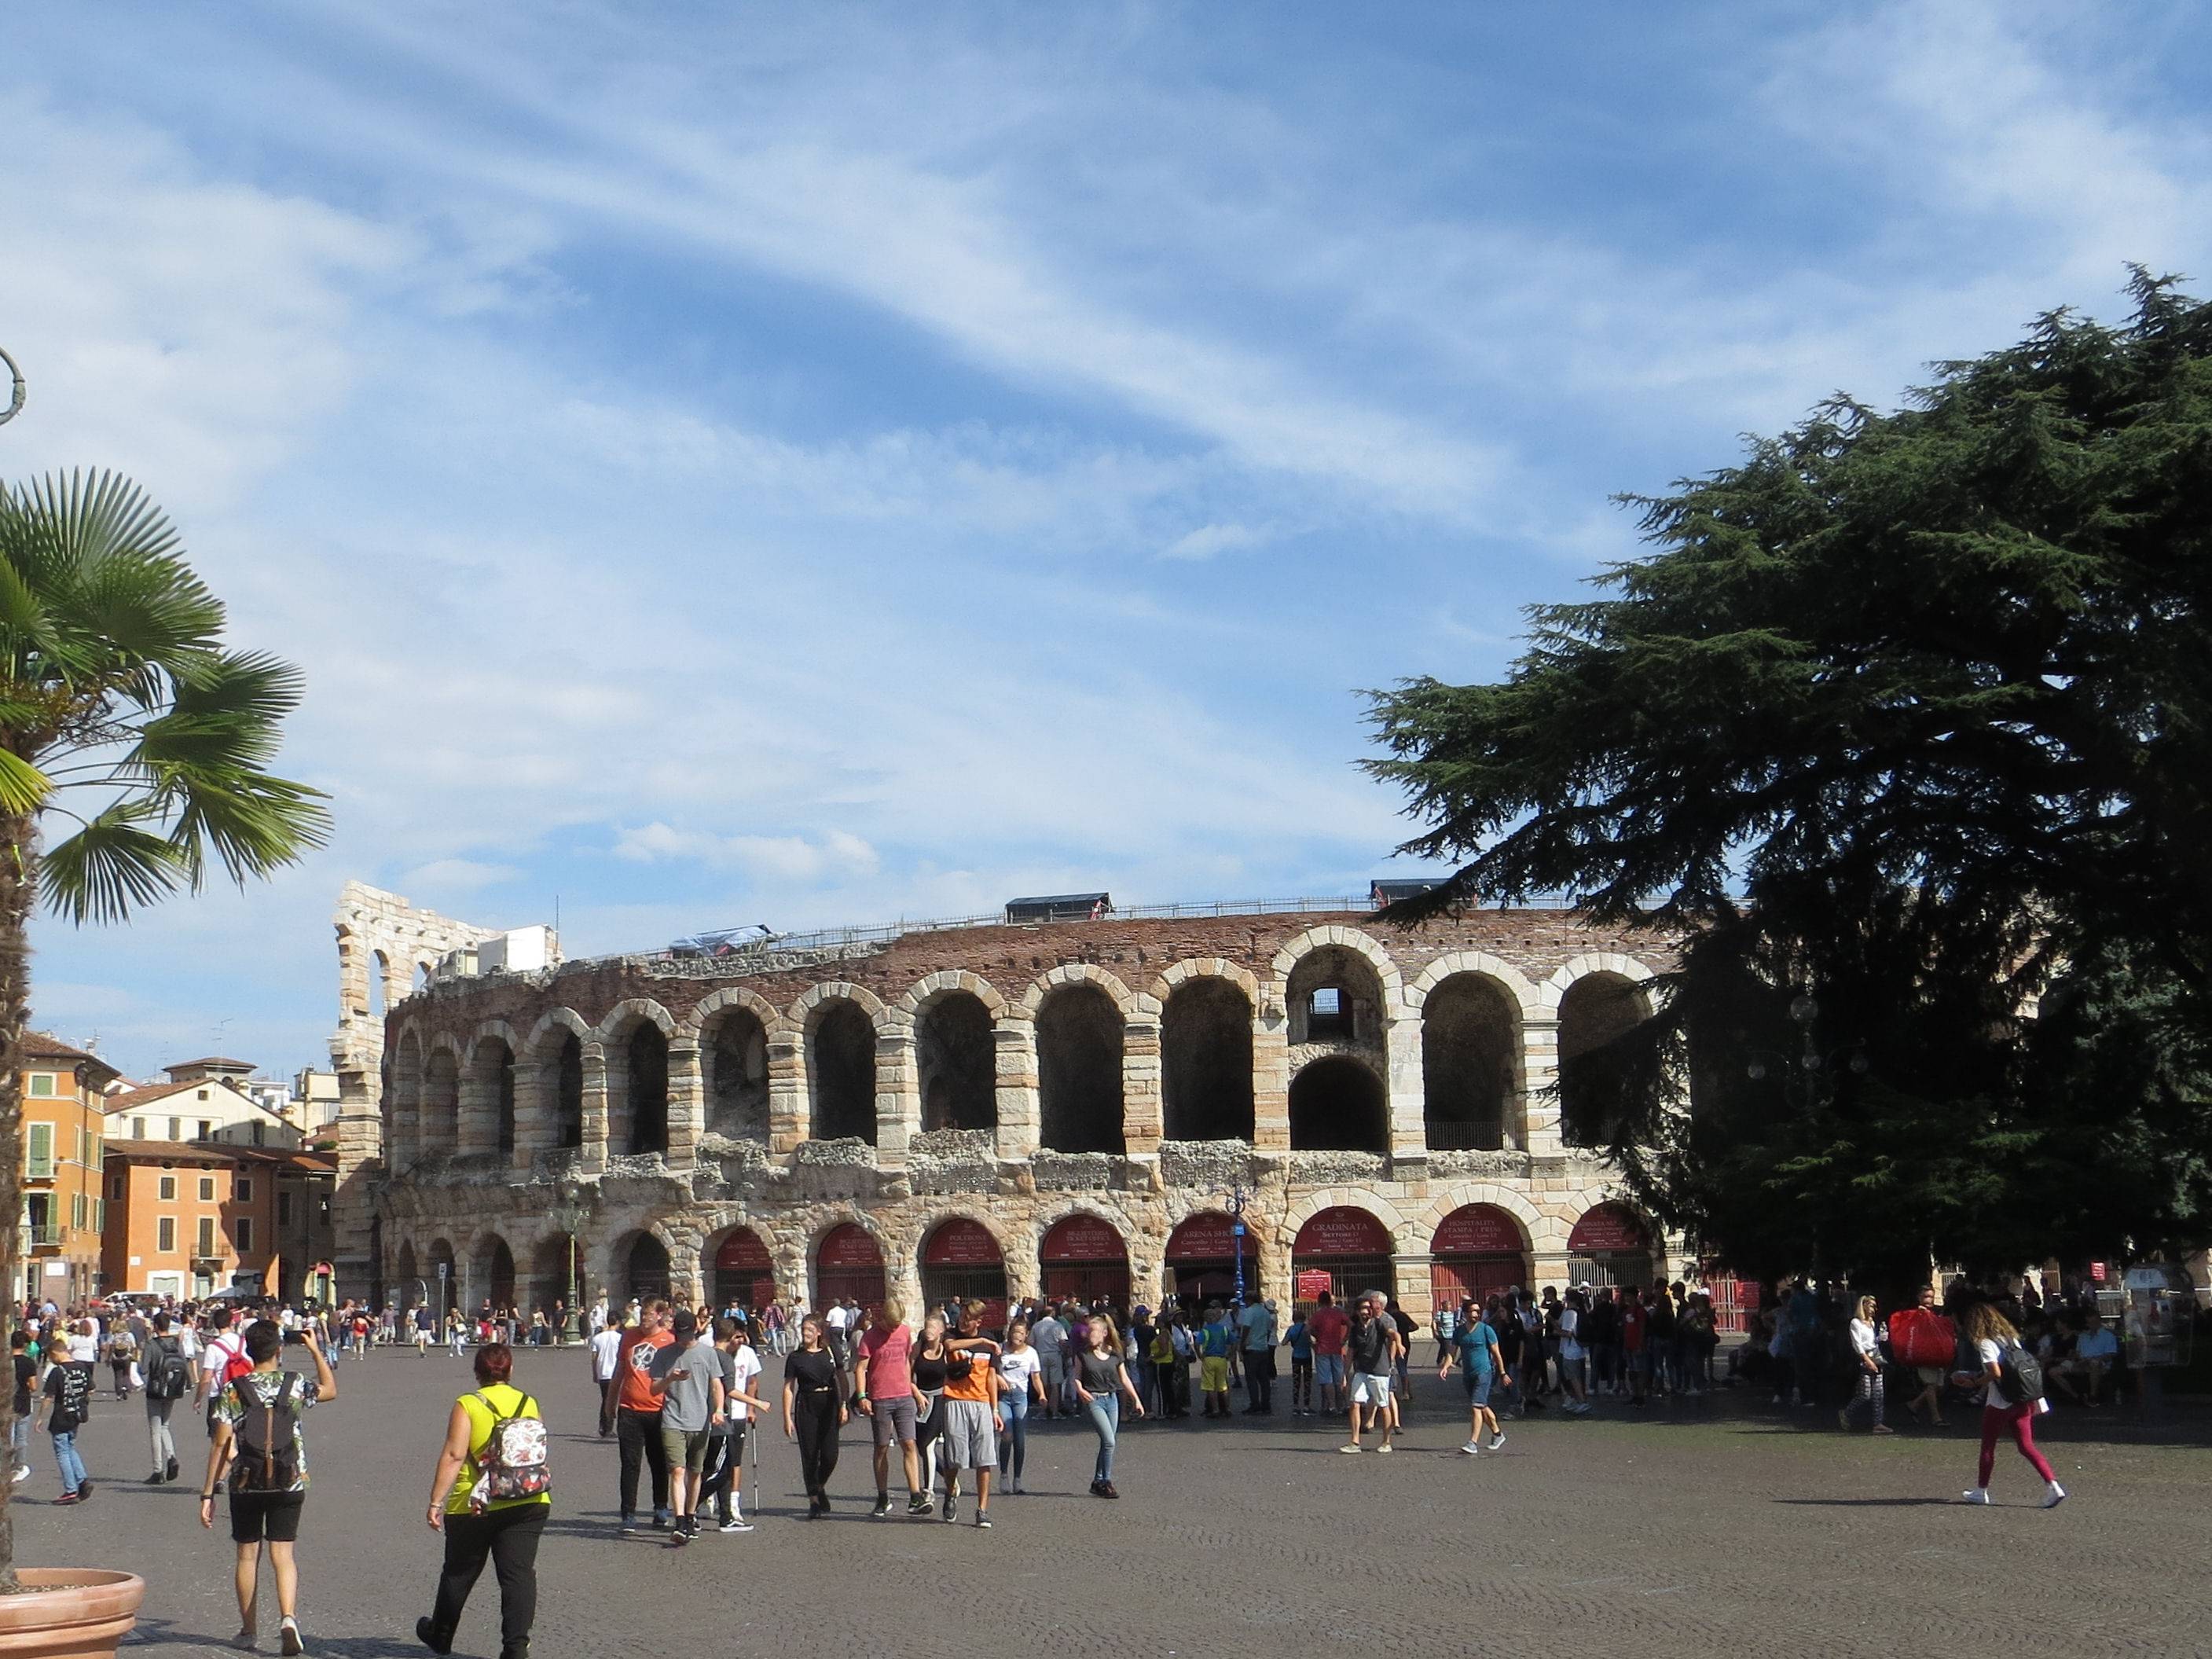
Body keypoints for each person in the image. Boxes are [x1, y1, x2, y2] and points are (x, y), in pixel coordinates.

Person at [200, 1319, 339, 1657]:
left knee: (247, 1555)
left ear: (248, 1351)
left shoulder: (234, 1388)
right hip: (290, 1479)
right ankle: (288, 1618)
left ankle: (248, 1631)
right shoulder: (294, 1384)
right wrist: (316, 1350)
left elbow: (220, 1444)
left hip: (246, 1482)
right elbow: (330, 1390)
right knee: (283, 1555)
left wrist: (208, 1493)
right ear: (279, 1350)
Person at [416, 1342, 548, 1659]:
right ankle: (516, 1648)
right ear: (510, 1370)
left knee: (459, 1572)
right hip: (528, 1497)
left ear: (477, 1373)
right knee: (518, 1575)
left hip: (476, 1502)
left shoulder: (468, 1404)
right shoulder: (529, 1401)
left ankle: (441, 1635)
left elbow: (454, 1454)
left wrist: (436, 1502)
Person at [1954, 1301, 2064, 1507]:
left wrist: (1975, 1382)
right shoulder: (2011, 1339)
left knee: (1988, 1446)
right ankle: (2053, 1485)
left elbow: (1995, 1372)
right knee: (2026, 1445)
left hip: (2000, 1401)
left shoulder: (1986, 1343)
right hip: (2023, 1398)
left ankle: (1981, 1490)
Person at [648, 1310, 723, 1545]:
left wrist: (719, 1409)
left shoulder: (708, 1354)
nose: (683, 1339)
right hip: (673, 1420)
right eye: (680, 1334)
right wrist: (670, 1379)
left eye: (687, 1334)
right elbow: (653, 1389)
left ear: (695, 1330)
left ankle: (690, 1516)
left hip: (700, 1421)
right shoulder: (664, 1355)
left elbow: (716, 1385)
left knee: (695, 1472)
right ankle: (680, 1520)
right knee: (677, 1471)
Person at [608, 1300, 673, 1536]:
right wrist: (609, 1405)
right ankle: (628, 1513)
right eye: (642, 1314)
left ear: (659, 1316)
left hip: (659, 1410)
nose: (643, 1318)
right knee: (630, 1463)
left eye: (647, 1314)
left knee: (659, 1463)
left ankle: (660, 1507)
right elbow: (620, 1372)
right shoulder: (628, 1337)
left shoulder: (669, 1340)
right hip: (630, 1409)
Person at [937, 1301, 1003, 1527]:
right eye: (962, 1317)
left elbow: (991, 1377)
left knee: (985, 1459)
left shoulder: (989, 1344)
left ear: (979, 1321)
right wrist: (982, 1341)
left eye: (968, 1319)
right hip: (955, 1400)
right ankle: (950, 1492)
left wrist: (995, 1409)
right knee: (954, 1457)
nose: (963, 1322)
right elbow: (949, 1347)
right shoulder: (951, 1335)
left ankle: (982, 1510)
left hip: (981, 1403)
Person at [854, 1300, 921, 1518]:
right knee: (882, 1447)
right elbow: (861, 1368)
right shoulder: (870, 1337)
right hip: (881, 1397)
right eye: (890, 1325)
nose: (894, 1329)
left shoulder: (904, 1332)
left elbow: (907, 1360)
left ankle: (915, 1495)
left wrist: (911, 1386)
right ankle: (883, 1496)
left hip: (903, 1396)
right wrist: (862, 1396)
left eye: (897, 1325)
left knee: (909, 1443)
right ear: (882, 1319)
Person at [698, 1317, 765, 1533]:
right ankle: (693, 1504)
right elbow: (730, 1390)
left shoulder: (703, 1353)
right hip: (721, 1419)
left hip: (701, 1417)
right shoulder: (724, 1359)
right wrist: (756, 1403)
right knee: (725, 1469)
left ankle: (725, 1515)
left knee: (711, 1467)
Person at [781, 1312, 847, 1518]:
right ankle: (814, 1502)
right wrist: (786, 1416)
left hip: (829, 1404)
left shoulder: (829, 1352)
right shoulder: (795, 1357)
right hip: (806, 1406)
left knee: (830, 1455)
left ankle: (819, 1485)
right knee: (809, 1455)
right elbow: (789, 1388)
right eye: (803, 1330)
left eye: (810, 1330)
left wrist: (844, 1404)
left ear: (819, 1332)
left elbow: (842, 1378)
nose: (806, 1333)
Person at [1072, 1312, 1145, 1498]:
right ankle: (1107, 1481)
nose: (1090, 1335)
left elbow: (1125, 1379)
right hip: (1094, 1400)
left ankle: (1097, 1480)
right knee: (1110, 1441)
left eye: (1094, 1331)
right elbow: (1076, 1378)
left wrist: (1136, 1399)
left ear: (1104, 1333)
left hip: (1112, 1400)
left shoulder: (1114, 1354)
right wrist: (1080, 1390)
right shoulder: (1083, 1355)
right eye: (1089, 1332)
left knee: (1107, 1443)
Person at [1439, 1297, 1509, 1455]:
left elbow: (1496, 1353)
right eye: (1473, 1311)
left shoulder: (1486, 1330)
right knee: (1482, 1406)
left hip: (1484, 1372)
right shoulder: (1459, 1331)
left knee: (1476, 1406)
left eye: (1478, 1311)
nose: (1476, 1314)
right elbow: (1452, 1352)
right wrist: (1445, 1366)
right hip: (1468, 1375)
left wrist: (1502, 1372)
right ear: (1465, 1313)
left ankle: (1473, 1443)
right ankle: (1498, 1434)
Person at [1341, 1290, 1401, 1453]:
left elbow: (1393, 1333)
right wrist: (1345, 1375)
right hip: (1361, 1371)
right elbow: (1351, 1352)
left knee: (1383, 1405)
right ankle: (1355, 1442)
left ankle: (1386, 1442)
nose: (1365, 1311)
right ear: (1358, 1311)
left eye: (1368, 1308)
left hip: (1380, 1372)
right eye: (1362, 1308)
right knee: (1354, 1403)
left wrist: (1399, 1344)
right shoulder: (1355, 1330)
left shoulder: (1379, 1323)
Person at [994, 1317, 1047, 1495]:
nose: (1017, 1336)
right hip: (1003, 1396)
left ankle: (1017, 1478)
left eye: (1021, 1333)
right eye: (1014, 1332)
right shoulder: (1001, 1349)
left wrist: (1042, 1394)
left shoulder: (1031, 1353)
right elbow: (990, 1370)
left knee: (1020, 1439)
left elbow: (1036, 1377)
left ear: (1026, 1335)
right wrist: (998, 1378)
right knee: (1007, 1434)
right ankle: (1003, 1475)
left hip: (1020, 1396)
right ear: (1010, 1332)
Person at [908, 1312, 952, 1512]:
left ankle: (929, 1492)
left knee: (927, 1445)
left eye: (933, 1327)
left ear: (941, 1331)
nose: (929, 1331)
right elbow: (906, 1374)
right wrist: (916, 1393)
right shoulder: (917, 1349)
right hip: (920, 1399)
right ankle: (951, 1480)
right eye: (927, 1327)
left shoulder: (946, 1351)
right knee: (920, 1447)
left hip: (941, 1399)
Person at [44, 1338, 96, 1504]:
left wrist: (39, 1417)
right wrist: (82, 1401)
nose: (51, 1360)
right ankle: (82, 1480)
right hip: (76, 1415)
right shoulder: (82, 1367)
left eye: (51, 1357)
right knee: (70, 1447)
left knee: (62, 1452)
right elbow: (92, 1388)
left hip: (61, 1415)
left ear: (55, 1353)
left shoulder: (57, 1371)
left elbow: (49, 1397)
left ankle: (71, 1489)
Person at [143, 1311, 189, 1484]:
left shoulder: (151, 1344)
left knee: (155, 1429)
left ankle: (158, 1470)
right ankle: (171, 1456)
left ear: (155, 1327)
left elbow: (143, 1369)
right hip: (173, 1388)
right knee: (165, 1426)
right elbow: (183, 1362)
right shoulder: (177, 1342)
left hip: (155, 1389)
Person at [1840, 1295, 1891, 1435]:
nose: (1874, 1309)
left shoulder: (1872, 1323)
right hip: (1865, 1358)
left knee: (1878, 1393)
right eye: (1871, 1306)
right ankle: (1846, 1413)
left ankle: (1878, 1423)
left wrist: (1880, 1339)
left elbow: (1872, 1342)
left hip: (1876, 1356)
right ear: (1863, 1306)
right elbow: (1857, 1344)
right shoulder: (1856, 1323)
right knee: (1865, 1393)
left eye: (1874, 1306)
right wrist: (1867, 1361)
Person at [1237, 1296, 1278, 1415]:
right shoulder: (1265, 1312)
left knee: (1251, 1378)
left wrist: (1242, 1342)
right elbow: (1269, 1329)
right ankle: (1266, 1404)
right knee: (1264, 1379)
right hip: (1263, 1348)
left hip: (1251, 1348)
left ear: (1250, 1300)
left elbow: (1247, 1327)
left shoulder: (1250, 1311)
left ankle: (1255, 1404)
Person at [1196, 1303, 1235, 1419]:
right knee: (1223, 1385)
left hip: (1209, 1358)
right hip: (1222, 1359)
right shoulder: (1224, 1329)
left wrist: (1200, 1355)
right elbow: (1234, 1342)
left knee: (1210, 1387)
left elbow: (1197, 1344)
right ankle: (1227, 1409)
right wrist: (1230, 1353)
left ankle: (1215, 1410)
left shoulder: (1205, 1330)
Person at [9, 1330, 35, 1485]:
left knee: (8, 1436)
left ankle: (6, 1464)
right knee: (21, 1437)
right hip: (23, 1400)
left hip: (6, 1401)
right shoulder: (28, 1362)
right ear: (25, 1344)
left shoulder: (5, 1361)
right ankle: (19, 1466)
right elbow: (33, 1386)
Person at [1284, 1308, 1314, 1416]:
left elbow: (1284, 1342)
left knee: (1296, 1381)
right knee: (1307, 1381)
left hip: (1296, 1356)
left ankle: (1296, 1406)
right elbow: (1312, 1341)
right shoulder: (1307, 1328)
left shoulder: (1291, 1329)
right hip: (1307, 1356)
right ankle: (1306, 1406)